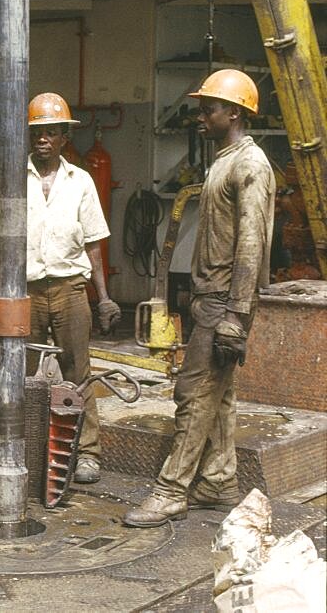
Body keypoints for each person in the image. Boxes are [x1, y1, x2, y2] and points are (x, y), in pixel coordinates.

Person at [124, 70, 274, 527]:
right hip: (213, 297)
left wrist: (235, 314)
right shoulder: (225, 160)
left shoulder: (250, 164)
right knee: (219, 394)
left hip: (225, 302)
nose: (201, 117)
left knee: (193, 393)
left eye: (209, 109)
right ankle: (218, 481)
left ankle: (172, 489)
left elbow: (252, 244)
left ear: (235, 112)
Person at [0, 92, 121, 485]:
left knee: (78, 372)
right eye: (38, 132)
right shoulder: (10, 178)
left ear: (64, 138)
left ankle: (87, 453)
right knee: (20, 373)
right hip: (24, 292)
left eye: (52, 132)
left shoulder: (81, 182)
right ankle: (21, 448)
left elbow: (94, 242)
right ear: (29, 136)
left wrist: (104, 297)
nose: (44, 138)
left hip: (69, 289)